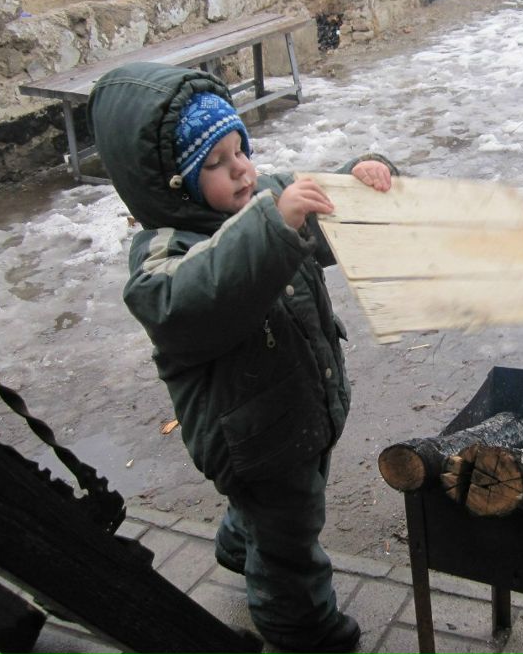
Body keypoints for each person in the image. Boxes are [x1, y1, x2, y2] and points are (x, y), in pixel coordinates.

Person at [88, 61, 396, 653]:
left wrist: (363, 175)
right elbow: (188, 302)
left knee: (278, 505)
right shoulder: (163, 258)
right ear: (169, 184)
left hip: (297, 409)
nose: (241, 170)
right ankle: (297, 624)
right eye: (215, 164)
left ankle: (239, 543)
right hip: (253, 436)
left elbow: (323, 212)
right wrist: (271, 225)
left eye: (240, 150)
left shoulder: (263, 199)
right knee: (291, 533)